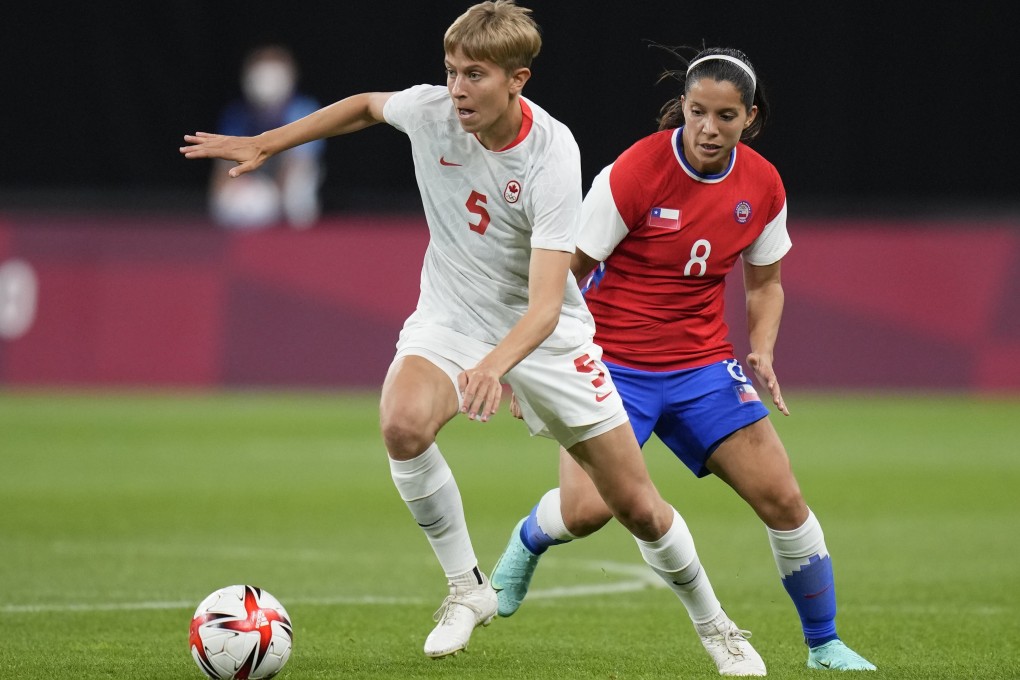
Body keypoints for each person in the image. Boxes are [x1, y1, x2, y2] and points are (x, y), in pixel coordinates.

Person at [181, 5, 765, 674]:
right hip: (452, 315)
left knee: (634, 505)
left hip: (546, 336)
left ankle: (718, 627)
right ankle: (467, 587)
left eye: (474, 76)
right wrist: (269, 144)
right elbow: (368, 106)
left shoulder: (551, 151)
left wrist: (496, 369)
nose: (457, 89)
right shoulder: (432, 111)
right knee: (402, 425)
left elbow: (547, 303)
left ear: (517, 80)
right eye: (451, 71)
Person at [491, 46, 877, 672]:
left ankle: (824, 643)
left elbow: (765, 282)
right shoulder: (637, 171)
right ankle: (527, 542)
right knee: (587, 512)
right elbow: (566, 274)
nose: (707, 128)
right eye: (697, 112)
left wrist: (762, 348)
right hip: (610, 365)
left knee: (783, 498)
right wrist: (530, 365)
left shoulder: (762, 184)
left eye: (725, 116)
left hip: (702, 367)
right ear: (683, 108)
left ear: (748, 118)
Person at [209, 44, 325, 229]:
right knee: (230, 202)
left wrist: (272, 198)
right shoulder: (236, 115)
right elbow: (223, 168)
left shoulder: (304, 110)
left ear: (289, 78)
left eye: (273, 76)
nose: (266, 83)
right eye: (260, 76)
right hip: (252, 177)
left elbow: (299, 161)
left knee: (298, 193)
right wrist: (226, 196)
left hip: (284, 178)